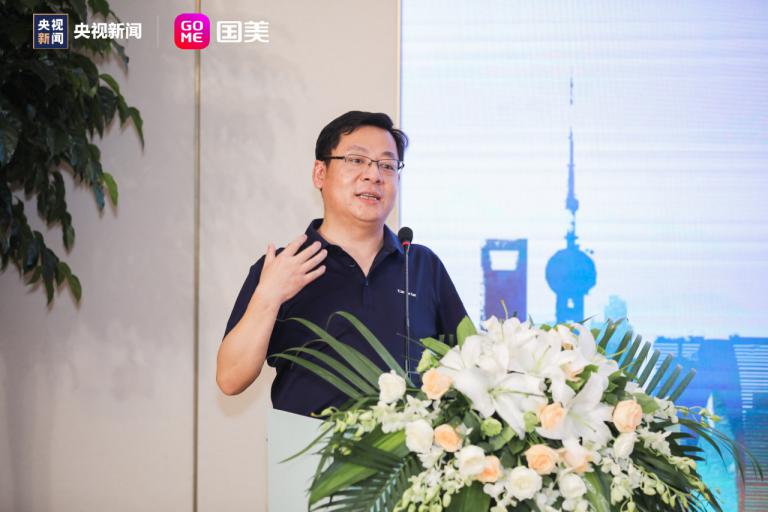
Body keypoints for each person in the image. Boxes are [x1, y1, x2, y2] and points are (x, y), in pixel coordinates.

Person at [216, 111, 468, 416]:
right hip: (308, 445)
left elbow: (469, 367)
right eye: (356, 160)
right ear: (320, 174)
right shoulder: (285, 266)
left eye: (387, 165)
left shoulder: (421, 266)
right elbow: (230, 379)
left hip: (408, 445)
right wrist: (269, 297)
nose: (373, 175)